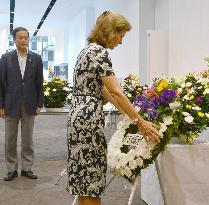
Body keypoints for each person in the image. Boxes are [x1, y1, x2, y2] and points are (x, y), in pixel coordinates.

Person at [67, 11, 160, 205]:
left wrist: (126, 110)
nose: (121, 41)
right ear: (111, 32)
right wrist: (139, 121)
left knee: (83, 178)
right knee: (92, 179)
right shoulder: (100, 54)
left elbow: (102, 90)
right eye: (121, 35)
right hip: (89, 120)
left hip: (76, 119)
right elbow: (116, 91)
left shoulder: (86, 51)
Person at [0, 27, 44, 181]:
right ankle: (11, 169)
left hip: (30, 104)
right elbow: (1, 84)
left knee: (28, 139)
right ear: (14, 39)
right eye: (20, 37)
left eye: (26, 37)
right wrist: (1, 106)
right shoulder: (5, 58)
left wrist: (40, 103)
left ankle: (27, 168)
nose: (23, 40)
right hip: (11, 104)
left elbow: (40, 83)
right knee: (10, 139)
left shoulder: (36, 58)